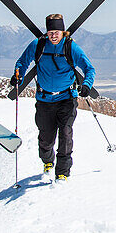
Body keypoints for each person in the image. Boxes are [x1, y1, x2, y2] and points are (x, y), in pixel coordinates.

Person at [10, 13, 95, 182]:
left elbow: (89, 68)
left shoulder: (71, 48)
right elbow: (22, 62)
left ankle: (62, 172)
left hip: (67, 99)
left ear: (63, 32)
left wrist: (86, 84)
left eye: (57, 32)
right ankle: (48, 161)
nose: (54, 35)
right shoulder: (38, 45)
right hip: (44, 100)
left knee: (65, 134)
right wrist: (17, 75)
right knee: (46, 138)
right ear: (47, 33)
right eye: (51, 32)